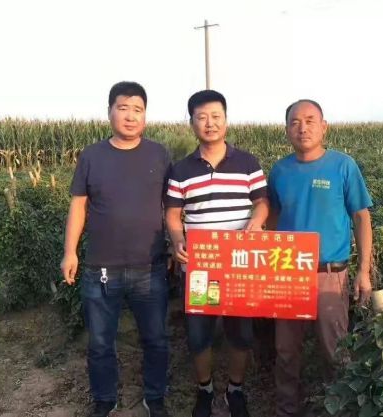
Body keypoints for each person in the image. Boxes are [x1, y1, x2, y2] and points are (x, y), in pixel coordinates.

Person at [60, 81, 172, 417]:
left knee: (155, 339)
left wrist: (173, 245)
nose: (130, 116)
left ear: (145, 116)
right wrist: (70, 251)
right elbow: (78, 206)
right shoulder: (92, 156)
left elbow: (171, 206)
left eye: (138, 109)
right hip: (101, 268)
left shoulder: (159, 155)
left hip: (149, 266)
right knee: (100, 342)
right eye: (123, 108)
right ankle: (105, 399)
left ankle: (155, 397)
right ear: (109, 112)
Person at [165, 90, 269, 417]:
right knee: (199, 336)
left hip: (239, 265)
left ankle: (235, 390)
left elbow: (262, 202)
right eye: (202, 117)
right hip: (200, 266)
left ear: (226, 120)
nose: (209, 123)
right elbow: (172, 214)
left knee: (241, 334)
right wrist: (177, 240)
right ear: (192, 123)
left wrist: (256, 222)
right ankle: (205, 390)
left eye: (216, 116)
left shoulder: (247, 163)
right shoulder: (181, 170)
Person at [268, 99, 373, 417]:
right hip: (289, 273)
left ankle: (339, 408)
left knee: (335, 348)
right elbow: (272, 218)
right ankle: (287, 409)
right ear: (286, 130)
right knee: (286, 350)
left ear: (324, 127)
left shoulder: (343, 166)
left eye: (310, 121)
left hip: (330, 274)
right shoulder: (280, 171)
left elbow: (361, 217)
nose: (303, 128)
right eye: (295, 122)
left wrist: (363, 271)